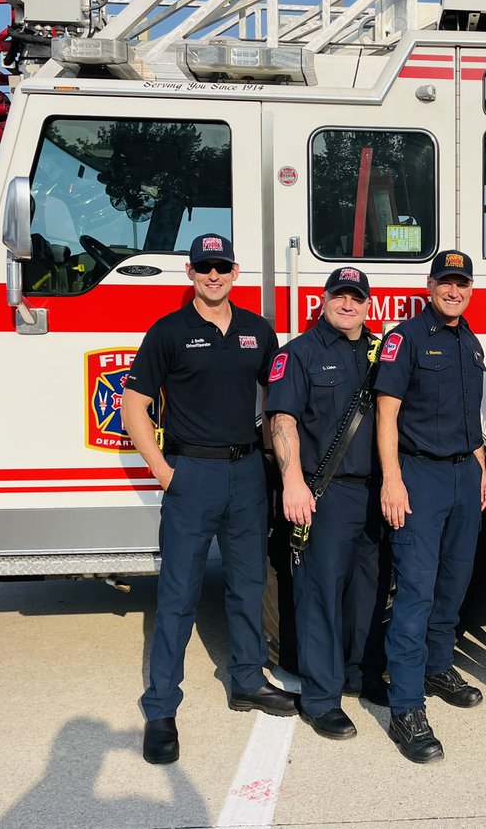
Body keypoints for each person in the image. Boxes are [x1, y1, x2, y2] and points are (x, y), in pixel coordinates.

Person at [121, 234, 297, 766]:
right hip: (190, 472)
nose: (213, 275)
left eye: (221, 267)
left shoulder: (257, 331)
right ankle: (160, 707)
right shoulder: (168, 332)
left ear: (235, 271)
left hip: (245, 471)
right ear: (191, 274)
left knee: (246, 585)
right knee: (178, 594)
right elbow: (134, 403)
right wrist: (163, 471)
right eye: (204, 267)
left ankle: (246, 680)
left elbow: (279, 398)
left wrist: (279, 465)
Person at [374, 249, 486, 763]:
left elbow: (470, 413)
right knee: (416, 589)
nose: (454, 290)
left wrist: (481, 468)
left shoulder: (470, 340)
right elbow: (386, 414)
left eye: (461, 283)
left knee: (455, 580)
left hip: (465, 474)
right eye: (446, 282)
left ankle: (437, 665)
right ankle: (406, 708)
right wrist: (393, 480)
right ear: (430, 284)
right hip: (418, 474)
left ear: (470, 289)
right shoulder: (405, 338)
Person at [265, 266, 389, 741]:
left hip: (374, 493)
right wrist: (293, 481)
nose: (348, 304)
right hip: (324, 492)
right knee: (319, 596)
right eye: (340, 295)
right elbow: (282, 419)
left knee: (366, 592)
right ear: (323, 298)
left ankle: (359, 676)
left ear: (367, 303)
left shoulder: (382, 353)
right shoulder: (299, 353)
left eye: (356, 297)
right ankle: (320, 698)